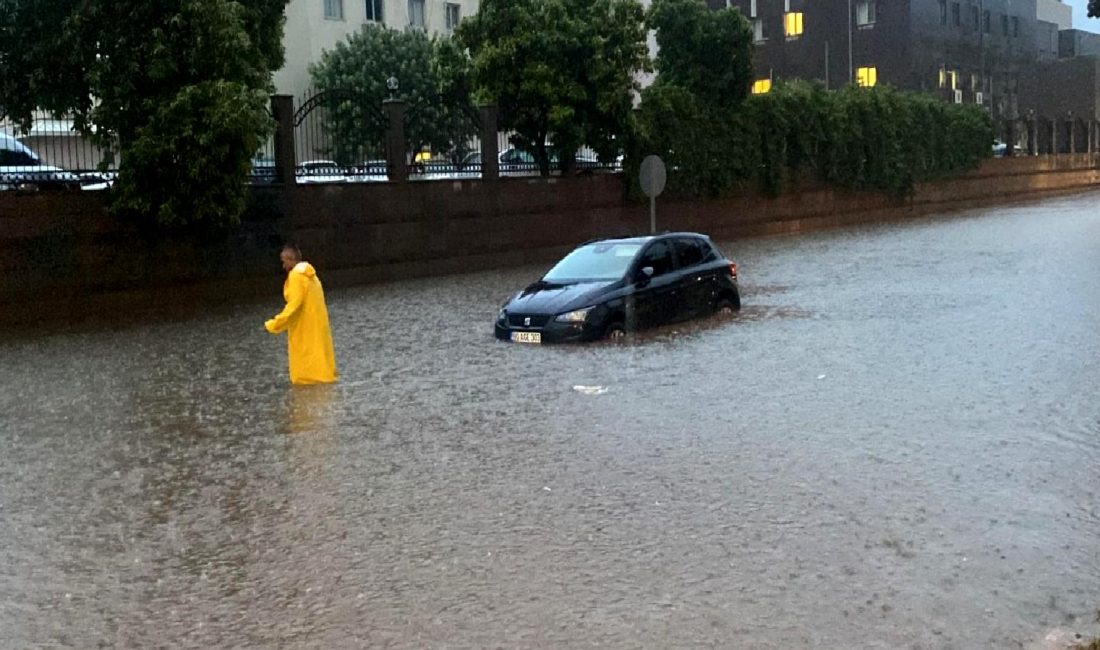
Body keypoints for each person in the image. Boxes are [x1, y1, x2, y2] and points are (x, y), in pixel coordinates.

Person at [265, 244, 338, 385]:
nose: (283, 266)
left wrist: (274, 324)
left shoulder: (296, 277)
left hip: (303, 330)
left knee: (305, 375)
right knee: (320, 367)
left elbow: (293, 306)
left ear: (290, 259)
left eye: (283, 261)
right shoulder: (312, 276)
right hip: (317, 328)